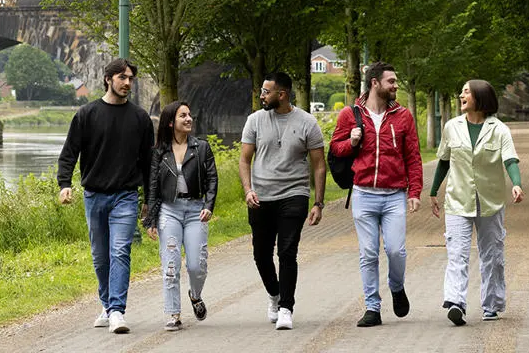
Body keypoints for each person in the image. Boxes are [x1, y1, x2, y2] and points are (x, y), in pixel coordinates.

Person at [57, 58, 154, 334]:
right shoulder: (86, 115)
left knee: (120, 251)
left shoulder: (140, 118)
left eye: (131, 79)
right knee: (100, 257)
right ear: (108, 79)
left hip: (126, 196)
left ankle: (117, 311)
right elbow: (69, 154)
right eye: (122, 78)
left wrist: (149, 198)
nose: (127, 83)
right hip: (94, 196)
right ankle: (106, 303)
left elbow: (148, 162)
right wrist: (65, 183)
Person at [329, 62, 423, 327]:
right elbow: (335, 148)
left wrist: (414, 191)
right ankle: (372, 307)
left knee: (396, 251)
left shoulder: (403, 116)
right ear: (374, 83)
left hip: (394, 195)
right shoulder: (350, 114)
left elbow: (413, 156)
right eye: (391, 81)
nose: (395, 86)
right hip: (363, 194)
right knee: (368, 253)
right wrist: (352, 142)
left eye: (395, 81)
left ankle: (396, 286)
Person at [430, 79, 524, 326]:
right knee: (457, 253)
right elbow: (443, 161)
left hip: (490, 201)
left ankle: (491, 305)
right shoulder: (452, 127)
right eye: (461, 91)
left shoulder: (500, 129)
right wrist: (432, 191)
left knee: (492, 254)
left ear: (480, 98)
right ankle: (455, 303)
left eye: (466, 92)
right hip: (458, 200)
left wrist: (516, 183)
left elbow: (511, 160)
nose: (461, 95)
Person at [238, 72, 326, 330]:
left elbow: (319, 164)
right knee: (261, 255)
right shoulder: (254, 120)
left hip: (294, 195)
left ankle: (286, 307)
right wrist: (247, 190)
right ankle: (274, 295)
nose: (261, 95)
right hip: (261, 196)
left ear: (282, 94)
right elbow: (244, 159)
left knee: (287, 251)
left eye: (266, 91)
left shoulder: (307, 122)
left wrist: (318, 202)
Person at [143, 101, 218, 331]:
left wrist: (209, 205)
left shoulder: (201, 147)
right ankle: (173, 313)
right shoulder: (159, 152)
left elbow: (213, 178)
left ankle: (195, 295)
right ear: (170, 122)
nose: (188, 119)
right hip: (169, 211)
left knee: (197, 265)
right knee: (171, 265)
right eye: (183, 115)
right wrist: (151, 220)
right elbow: (153, 186)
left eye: (189, 115)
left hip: (196, 209)